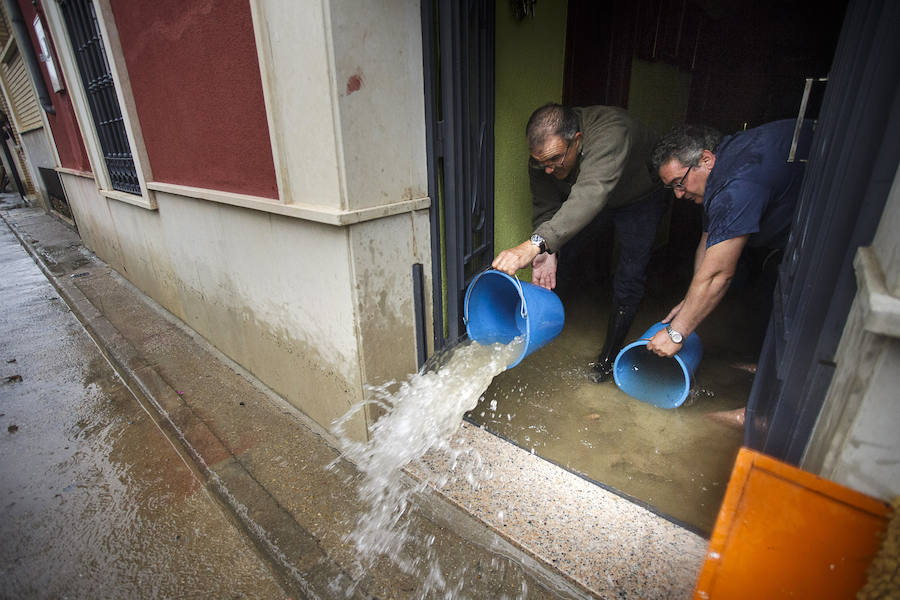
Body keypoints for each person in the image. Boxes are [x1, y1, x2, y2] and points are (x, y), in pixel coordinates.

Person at [491, 103, 667, 382]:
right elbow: (545, 206)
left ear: (578, 140)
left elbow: (590, 194)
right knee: (562, 253)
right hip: (592, 200)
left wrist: (532, 244)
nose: (547, 169)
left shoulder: (611, 131)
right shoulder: (543, 159)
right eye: (540, 163)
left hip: (639, 198)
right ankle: (550, 325)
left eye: (555, 160)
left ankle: (608, 361)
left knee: (629, 275)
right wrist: (547, 251)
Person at [645, 119, 813, 359]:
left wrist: (676, 333)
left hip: (825, 232)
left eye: (679, 183)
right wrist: (692, 300)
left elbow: (718, 274)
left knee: (783, 302)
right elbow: (709, 239)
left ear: (706, 160)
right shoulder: (727, 160)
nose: (678, 195)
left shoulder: (735, 184)